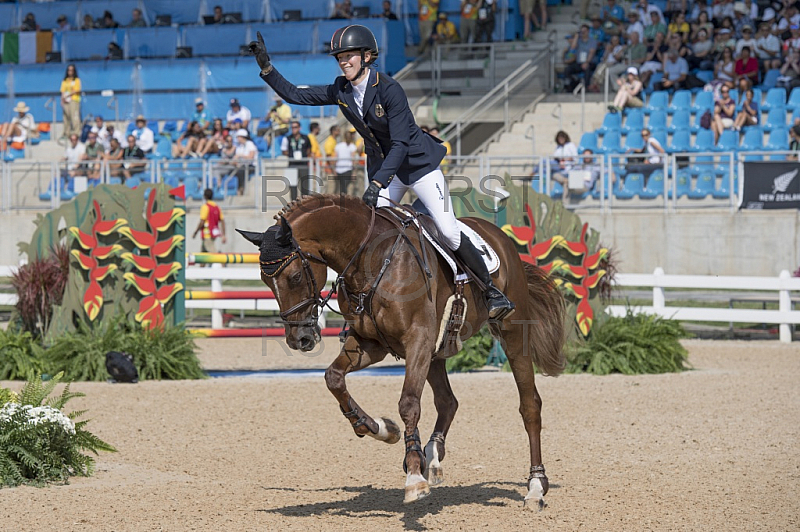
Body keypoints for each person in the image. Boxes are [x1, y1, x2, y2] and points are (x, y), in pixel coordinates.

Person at [249, 25, 515, 318]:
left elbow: (400, 144)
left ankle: (491, 291)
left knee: (449, 231)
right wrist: (267, 68)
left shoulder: (389, 89)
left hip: (418, 166)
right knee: (372, 233)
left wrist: (377, 182)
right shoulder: (342, 89)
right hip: (384, 168)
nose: (343, 62)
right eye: (339, 57)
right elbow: (297, 96)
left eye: (349, 56)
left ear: (366, 56)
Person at [282, 120, 313, 197]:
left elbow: (309, 148)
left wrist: (304, 154)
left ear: (299, 128)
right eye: (292, 127)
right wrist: (291, 154)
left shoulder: (305, 137)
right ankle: (294, 205)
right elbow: (284, 150)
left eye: (295, 127)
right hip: (292, 164)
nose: (293, 129)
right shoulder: (287, 138)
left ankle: (305, 204)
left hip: (303, 164)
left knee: (305, 186)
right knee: (292, 186)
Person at [193, 189, 227, 253]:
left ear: (205, 196)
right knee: (203, 256)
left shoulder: (205, 207)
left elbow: (202, 221)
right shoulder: (217, 207)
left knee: (213, 253)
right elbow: (222, 221)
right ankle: (202, 263)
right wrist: (224, 235)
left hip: (207, 234)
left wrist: (195, 232)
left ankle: (221, 261)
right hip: (214, 233)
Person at [60, 64, 82, 139]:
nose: (70, 72)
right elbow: (62, 91)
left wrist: (68, 95)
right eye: (69, 70)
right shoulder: (65, 81)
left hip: (74, 100)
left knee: (74, 117)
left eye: (72, 70)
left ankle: (76, 133)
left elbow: (76, 90)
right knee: (66, 117)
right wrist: (62, 99)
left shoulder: (76, 80)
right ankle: (66, 133)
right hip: (66, 101)